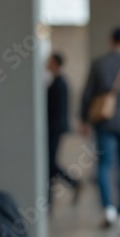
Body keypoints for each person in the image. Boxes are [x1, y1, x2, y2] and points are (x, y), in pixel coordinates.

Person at [81, 28, 120, 228]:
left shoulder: (99, 64)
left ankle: (108, 209)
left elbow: (88, 93)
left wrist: (83, 119)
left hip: (103, 121)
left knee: (104, 164)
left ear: (111, 40)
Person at [47, 52, 79, 208]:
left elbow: (57, 109)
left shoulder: (59, 84)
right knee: (50, 162)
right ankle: (51, 195)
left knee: (51, 163)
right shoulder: (57, 82)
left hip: (54, 129)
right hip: (55, 128)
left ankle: (73, 183)